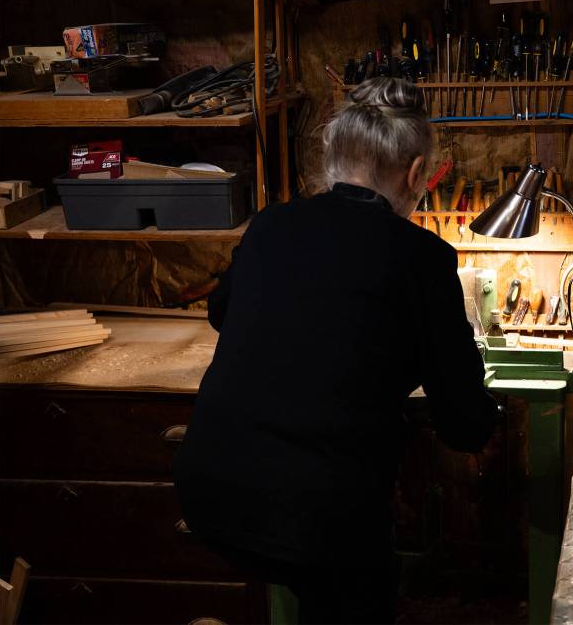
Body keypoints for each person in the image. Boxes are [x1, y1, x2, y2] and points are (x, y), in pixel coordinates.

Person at [173, 78, 501, 624]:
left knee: (317, 559)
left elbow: (221, 312)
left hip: (211, 492)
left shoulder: (271, 225)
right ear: (418, 174)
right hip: (315, 515)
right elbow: (465, 425)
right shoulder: (423, 258)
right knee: (354, 577)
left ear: (331, 157)